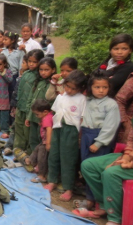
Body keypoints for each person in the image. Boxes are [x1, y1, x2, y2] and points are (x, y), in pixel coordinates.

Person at [45, 70, 88, 202]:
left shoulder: (82, 99)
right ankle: (52, 180)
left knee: (68, 159)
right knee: (54, 155)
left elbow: (82, 119)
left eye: (73, 88)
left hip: (71, 131)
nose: (68, 90)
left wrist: (80, 137)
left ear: (81, 88)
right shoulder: (61, 97)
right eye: (67, 86)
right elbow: (54, 113)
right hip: (58, 128)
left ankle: (68, 188)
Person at [80, 70, 120, 204]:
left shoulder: (111, 104)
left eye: (105, 87)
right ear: (91, 87)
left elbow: (110, 126)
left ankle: (96, 199)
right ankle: (89, 195)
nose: (101, 90)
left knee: (96, 168)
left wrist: (99, 143)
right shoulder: (88, 100)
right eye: (97, 87)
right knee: (85, 164)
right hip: (86, 135)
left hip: (99, 138)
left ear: (109, 88)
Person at [78, 125, 133, 224]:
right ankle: (105, 205)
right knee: (88, 165)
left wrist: (129, 164)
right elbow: (130, 143)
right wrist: (125, 158)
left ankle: (114, 217)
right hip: (129, 157)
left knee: (110, 173)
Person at [13, 49, 44, 154]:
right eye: (29, 61)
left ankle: (28, 151)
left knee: (28, 132)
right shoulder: (26, 74)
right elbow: (20, 90)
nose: (31, 64)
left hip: (29, 109)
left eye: (34, 62)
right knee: (19, 128)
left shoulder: (39, 77)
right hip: (20, 106)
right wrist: (17, 104)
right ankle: (18, 149)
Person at [25, 57, 57, 152]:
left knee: (42, 138)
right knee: (33, 138)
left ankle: (41, 159)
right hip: (34, 116)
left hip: (44, 118)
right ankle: (33, 157)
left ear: (53, 70)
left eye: (46, 70)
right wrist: (28, 116)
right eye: (41, 70)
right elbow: (31, 98)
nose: (43, 72)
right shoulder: (38, 82)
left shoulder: (53, 85)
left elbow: (51, 102)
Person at [24, 99, 53, 184]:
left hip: (45, 143)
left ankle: (42, 176)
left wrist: (48, 143)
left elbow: (49, 130)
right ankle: (31, 161)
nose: (36, 116)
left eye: (37, 114)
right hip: (43, 142)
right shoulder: (47, 117)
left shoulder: (47, 118)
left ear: (45, 111)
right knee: (36, 150)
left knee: (42, 158)